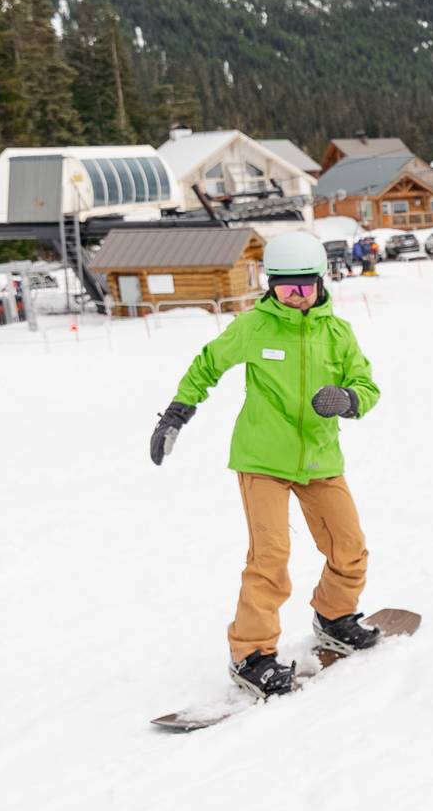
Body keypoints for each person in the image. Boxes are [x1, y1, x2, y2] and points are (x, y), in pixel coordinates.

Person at [147, 232, 384, 699]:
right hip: (262, 459)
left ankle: (335, 616)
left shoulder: (337, 333)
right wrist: (176, 413)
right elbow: (207, 365)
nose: (296, 294)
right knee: (270, 557)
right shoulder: (254, 327)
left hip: (319, 458)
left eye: (304, 284)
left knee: (349, 547)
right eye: (285, 284)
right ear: (271, 285)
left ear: (321, 282)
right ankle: (251, 655)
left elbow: (366, 384)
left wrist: (349, 399)